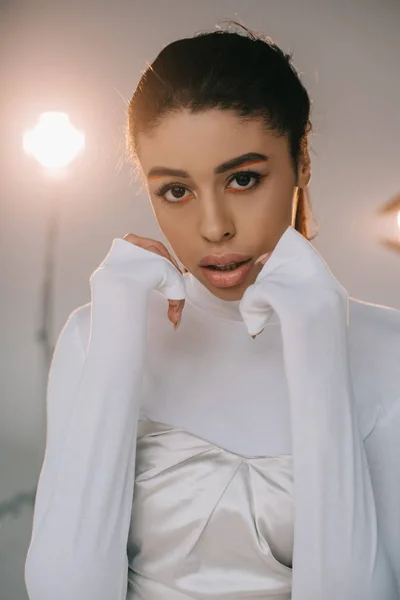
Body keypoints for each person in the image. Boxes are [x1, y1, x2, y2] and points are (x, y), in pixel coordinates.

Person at [24, 25, 400, 600]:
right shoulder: (93, 336)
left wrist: (318, 337)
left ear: (300, 162)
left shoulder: (387, 347)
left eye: (243, 179)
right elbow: (64, 592)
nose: (213, 226)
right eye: (176, 191)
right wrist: (119, 330)